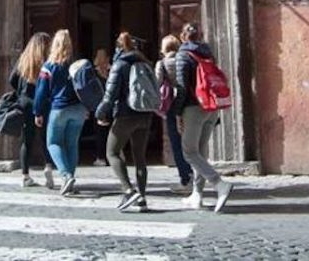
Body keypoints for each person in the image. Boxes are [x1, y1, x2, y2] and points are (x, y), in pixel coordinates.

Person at [174, 22, 233, 213]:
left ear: (183, 37)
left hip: (193, 108)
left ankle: (219, 184)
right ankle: (197, 194)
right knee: (200, 150)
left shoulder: (183, 55)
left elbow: (182, 88)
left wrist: (177, 112)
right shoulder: (208, 53)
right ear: (201, 35)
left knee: (189, 152)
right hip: (211, 107)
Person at [95, 32, 153, 212]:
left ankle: (128, 190)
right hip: (145, 114)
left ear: (118, 47)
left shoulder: (119, 65)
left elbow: (109, 95)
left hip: (125, 115)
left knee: (111, 152)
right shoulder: (146, 63)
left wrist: (100, 113)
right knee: (140, 158)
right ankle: (142, 198)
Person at [33, 29, 88, 196]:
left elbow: (41, 92)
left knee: (53, 143)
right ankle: (70, 179)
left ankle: (66, 175)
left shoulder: (48, 67)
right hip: (78, 109)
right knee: (72, 144)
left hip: (59, 109)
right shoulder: (77, 64)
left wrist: (38, 112)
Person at [9, 32, 55, 189]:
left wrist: (21, 91)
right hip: (43, 103)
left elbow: (12, 79)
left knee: (26, 141)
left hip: (25, 103)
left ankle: (25, 176)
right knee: (45, 138)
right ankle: (48, 167)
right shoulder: (48, 61)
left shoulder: (23, 60)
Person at [155, 34, 193, 194]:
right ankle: (196, 175)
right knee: (192, 142)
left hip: (172, 106)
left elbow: (157, 83)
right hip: (189, 104)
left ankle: (186, 179)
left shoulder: (162, 63)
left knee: (176, 143)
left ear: (164, 49)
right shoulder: (186, 59)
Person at [92, 49, 110, 167]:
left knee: (100, 133)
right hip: (111, 105)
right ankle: (111, 156)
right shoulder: (112, 70)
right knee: (111, 133)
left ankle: (101, 157)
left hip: (99, 105)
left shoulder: (93, 73)